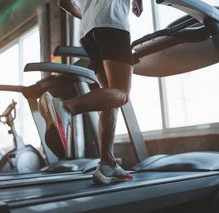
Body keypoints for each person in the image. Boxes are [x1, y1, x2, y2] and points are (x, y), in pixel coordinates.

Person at [39, 0, 143, 184]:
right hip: (112, 22)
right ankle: (65, 107)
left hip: (88, 30)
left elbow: (63, 2)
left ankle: (107, 162)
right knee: (122, 94)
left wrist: (88, 15)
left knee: (110, 96)